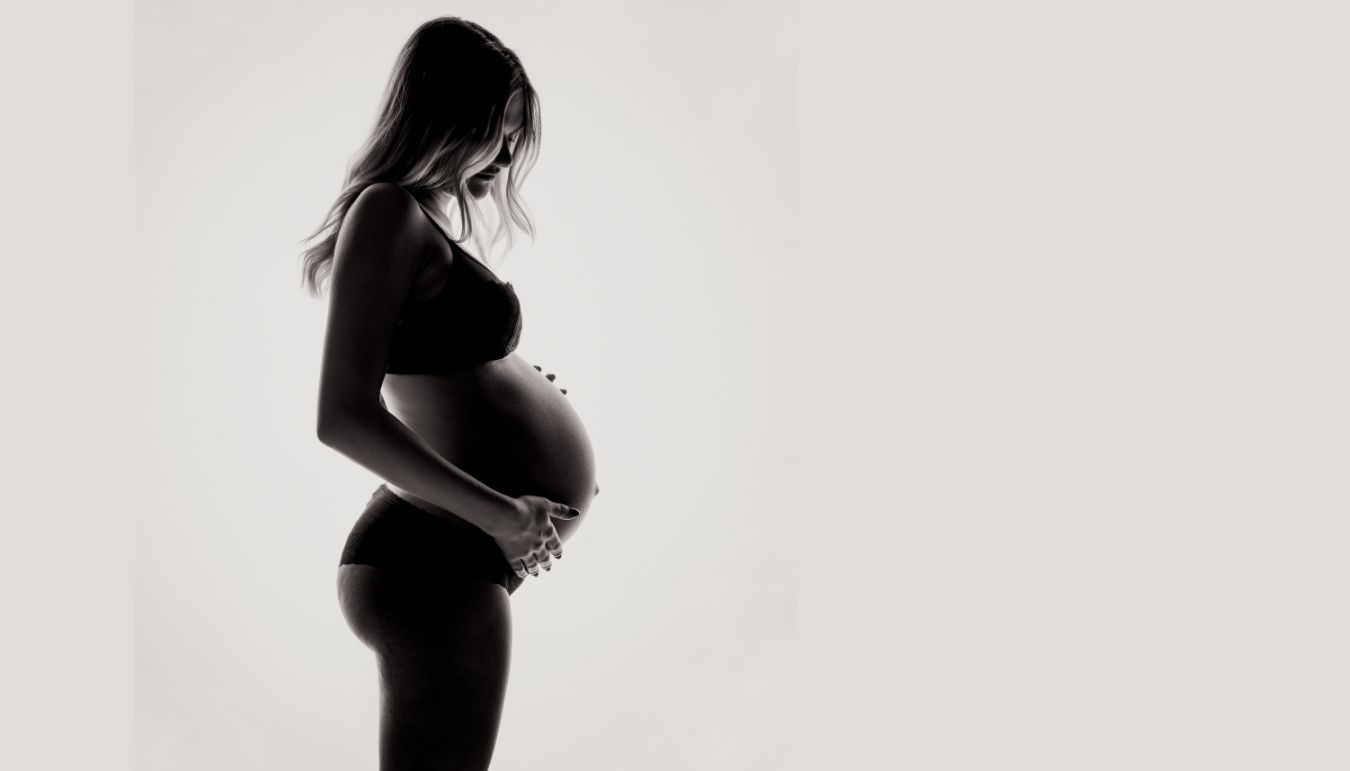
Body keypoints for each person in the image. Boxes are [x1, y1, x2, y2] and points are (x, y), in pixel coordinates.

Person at [298, 17, 599, 770]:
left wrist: (511, 389)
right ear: (446, 117)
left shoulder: (421, 219)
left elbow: (434, 372)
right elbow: (341, 418)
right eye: (496, 131)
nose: (504, 154)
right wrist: (505, 510)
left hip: (452, 552)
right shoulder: (387, 210)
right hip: (432, 556)